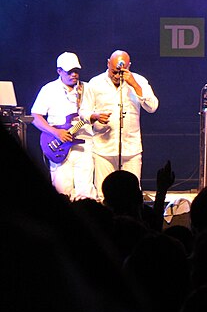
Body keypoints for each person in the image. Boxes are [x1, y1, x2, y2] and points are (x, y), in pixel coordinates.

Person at [81, 50, 158, 199]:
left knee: (132, 193)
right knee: (104, 194)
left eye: (121, 72)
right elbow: (83, 111)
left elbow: (152, 106)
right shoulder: (95, 83)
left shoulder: (139, 81)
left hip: (131, 148)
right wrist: (94, 116)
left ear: (129, 66)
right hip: (103, 148)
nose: (117, 76)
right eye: (114, 71)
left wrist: (135, 85)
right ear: (108, 63)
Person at [30, 52, 96, 200]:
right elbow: (35, 116)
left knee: (85, 191)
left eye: (76, 71)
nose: (74, 75)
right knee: (62, 191)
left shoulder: (87, 89)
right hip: (58, 145)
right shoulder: (49, 89)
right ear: (59, 71)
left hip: (84, 145)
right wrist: (56, 132)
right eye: (69, 71)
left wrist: (97, 117)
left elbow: (93, 113)